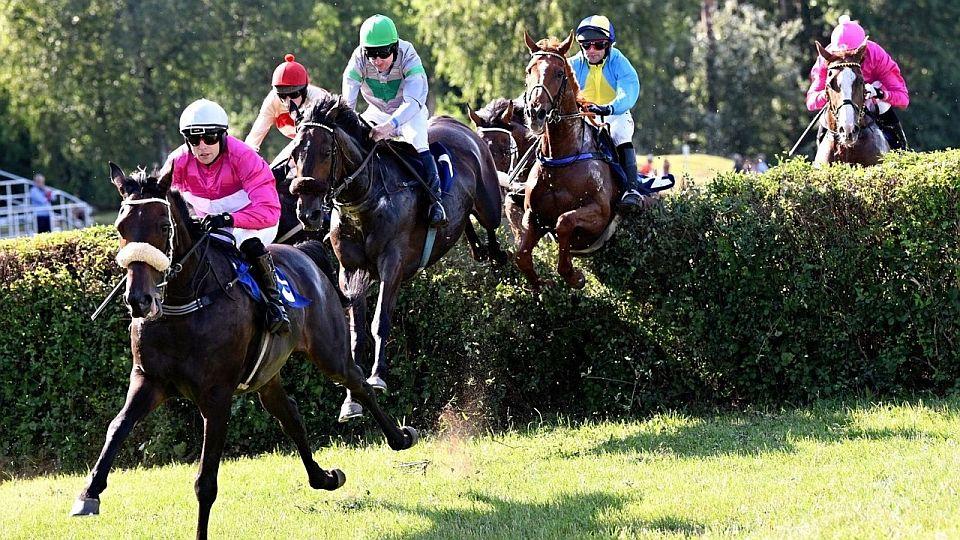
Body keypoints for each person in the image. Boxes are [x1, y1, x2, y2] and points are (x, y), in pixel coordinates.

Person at [162, 98, 289, 334]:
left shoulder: (245, 157)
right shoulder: (177, 161)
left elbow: (269, 211)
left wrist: (230, 219)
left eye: (209, 138)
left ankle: (275, 305)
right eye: (193, 139)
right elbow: (160, 200)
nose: (202, 146)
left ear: (222, 135)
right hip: (209, 223)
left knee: (243, 241)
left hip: (252, 222)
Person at [341, 14, 446, 227]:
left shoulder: (409, 56)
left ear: (395, 47)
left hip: (409, 112)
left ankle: (436, 202)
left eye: (383, 53)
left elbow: (414, 100)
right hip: (376, 112)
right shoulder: (358, 58)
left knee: (418, 140)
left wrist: (390, 126)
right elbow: (348, 102)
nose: (377, 60)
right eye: (371, 54)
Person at [568, 15, 644, 208]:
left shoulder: (619, 62)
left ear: (609, 45)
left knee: (620, 133)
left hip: (615, 115)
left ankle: (632, 189)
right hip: (585, 117)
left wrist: (609, 107)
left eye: (598, 45)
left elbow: (629, 91)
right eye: (586, 45)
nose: (591, 51)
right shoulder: (573, 65)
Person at [805, 15, 909, 149]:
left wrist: (880, 93)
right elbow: (811, 101)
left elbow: (903, 99)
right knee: (825, 119)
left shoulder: (877, 55)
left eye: (852, 54)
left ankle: (901, 151)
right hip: (841, 100)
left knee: (884, 106)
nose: (846, 59)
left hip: (872, 97)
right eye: (841, 55)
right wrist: (828, 94)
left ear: (862, 49)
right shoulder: (826, 59)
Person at [245, 54, 329, 179]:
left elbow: (315, 141)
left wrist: (289, 164)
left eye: (293, 94)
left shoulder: (319, 99)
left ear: (304, 89)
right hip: (301, 142)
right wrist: (244, 161)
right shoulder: (272, 100)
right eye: (282, 96)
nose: (287, 101)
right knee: (272, 175)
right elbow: (255, 135)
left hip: (324, 146)